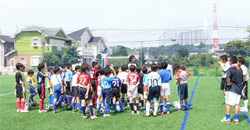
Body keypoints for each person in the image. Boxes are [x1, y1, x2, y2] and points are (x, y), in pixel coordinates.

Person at [221, 56, 243, 124]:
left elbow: (228, 77)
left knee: (228, 104)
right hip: (238, 88)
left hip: (232, 88)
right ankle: (236, 119)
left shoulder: (231, 68)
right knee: (237, 104)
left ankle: (227, 119)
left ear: (230, 61)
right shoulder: (240, 68)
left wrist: (228, 83)